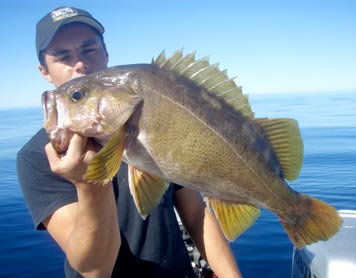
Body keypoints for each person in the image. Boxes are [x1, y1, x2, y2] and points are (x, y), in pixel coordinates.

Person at [17, 6, 242, 278]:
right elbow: (95, 270)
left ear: (106, 54)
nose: (79, 63)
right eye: (63, 57)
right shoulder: (36, 157)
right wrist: (89, 184)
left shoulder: (154, 123)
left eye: (89, 50)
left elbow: (196, 214)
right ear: (45, 72)